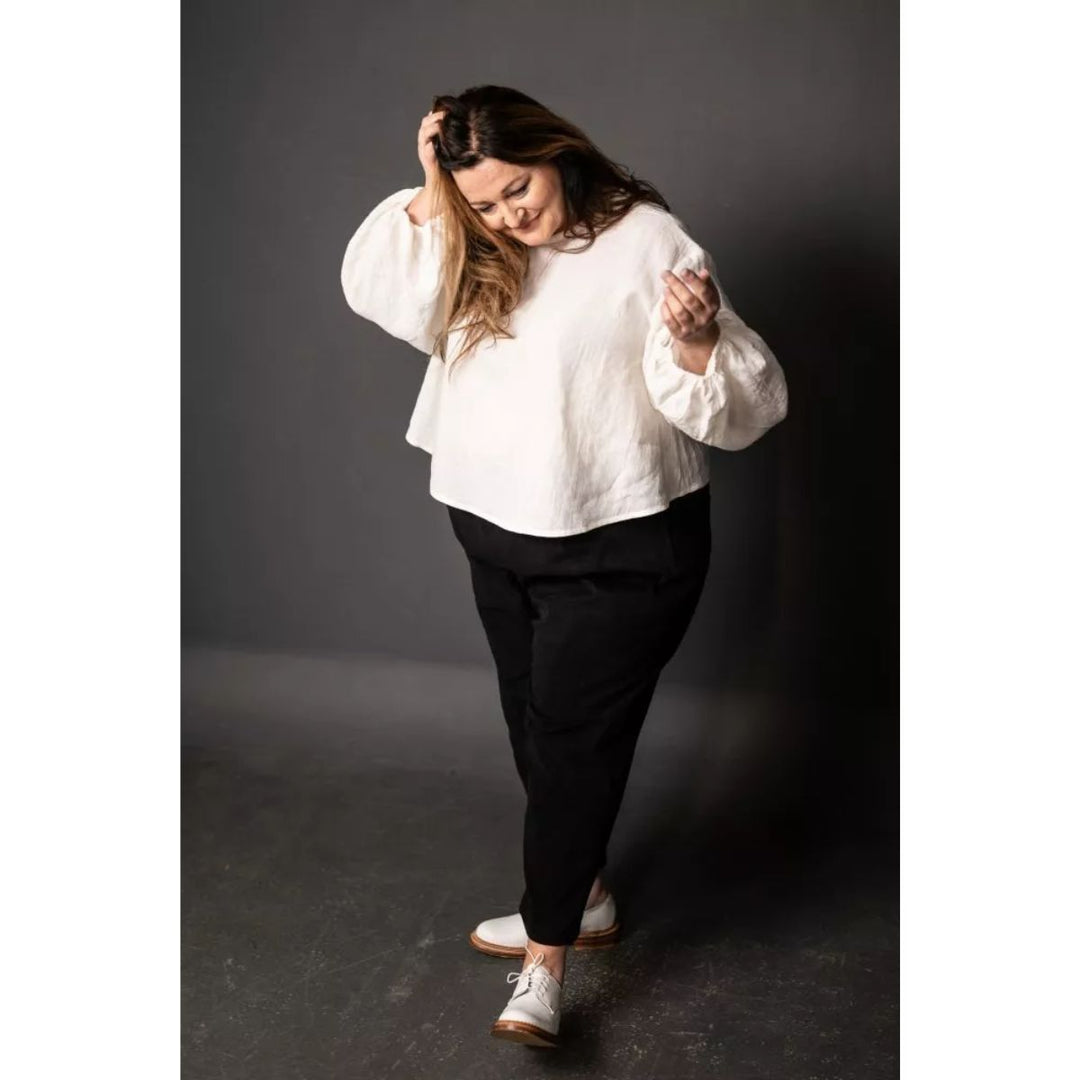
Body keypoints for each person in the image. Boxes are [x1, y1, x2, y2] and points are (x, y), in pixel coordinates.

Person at [339, 84, 788, 1048]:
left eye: (519, 190)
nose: (511, 216)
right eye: (488, 202)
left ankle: (547, 966)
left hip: (622, 541)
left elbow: (738, 407)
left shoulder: (648, 239)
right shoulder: (475, 234)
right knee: (534, 725)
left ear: (555, 152)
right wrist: (434, 185)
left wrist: (699, 337)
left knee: (574, 742)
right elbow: (389, 295)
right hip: (497, 527)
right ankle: (579, 896)